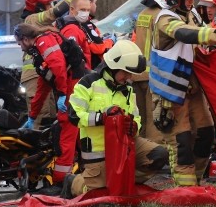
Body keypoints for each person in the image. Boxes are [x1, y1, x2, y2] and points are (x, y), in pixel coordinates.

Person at [150, 0, 216, 186]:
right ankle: (184, 188)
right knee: (182, 141)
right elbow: (185, 33)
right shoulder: (164, 19)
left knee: (206, 135)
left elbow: (201, 35)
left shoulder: (192, 13)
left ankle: (196, 182)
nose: (191, 2)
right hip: (171, 94)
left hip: (193, 88)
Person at [64, 40, 169, 197]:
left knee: (159, 155)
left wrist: (135, 127)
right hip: (98, 151)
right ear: (112, 67)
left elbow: (137, 117)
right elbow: (74, 116)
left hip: (124, 146)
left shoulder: (127, 90)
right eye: (125, 72)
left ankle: (124, 181)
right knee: (99, 195)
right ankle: (73, 182)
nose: (128, 77)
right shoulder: (87, 83)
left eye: (130, 73)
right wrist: (102, 118)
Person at [14, 22, 82, 185]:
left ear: (25, 39)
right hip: (69, 83)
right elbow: (43, 87)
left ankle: (61, 179)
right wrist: (32, 116)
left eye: (19, 43)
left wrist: (62, 94)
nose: (21, 48)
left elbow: (59, 67)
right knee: (75, 129)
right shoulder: (39, 51)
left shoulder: (44, 42)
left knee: (66, 125)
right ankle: (80, 167)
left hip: (73, 84)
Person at [20, 0, 73, 127]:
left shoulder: (45, 25)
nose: (51, 6)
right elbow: (54, 13)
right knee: (42, 116)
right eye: (48, 3)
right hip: (34, 75)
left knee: (49, 116)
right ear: (38, 6)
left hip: (44, 72)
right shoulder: (32, 19)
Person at [131, 0, 167, 140]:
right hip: (154, 76)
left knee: (141, 121)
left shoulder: (143, 14)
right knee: (154, 122)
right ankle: (154, 160)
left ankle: (141, 159)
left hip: (137, 74)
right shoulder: (161, 16)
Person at [76, 0, 115, 68]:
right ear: (90, 3)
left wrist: (103, 39)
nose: (96, 5)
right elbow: (99, 48)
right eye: (95, 3)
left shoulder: (82, 22)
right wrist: (111, 41)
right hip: (91, 67)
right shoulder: (86, 24)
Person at [57, 0, 95, 72]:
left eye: (88, 10)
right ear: (72, 9)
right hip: (77, 76)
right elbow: (72, 58)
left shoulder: (76, 26)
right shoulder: (72, 30)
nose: (86, 13)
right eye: (83, 10)